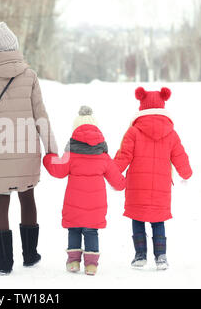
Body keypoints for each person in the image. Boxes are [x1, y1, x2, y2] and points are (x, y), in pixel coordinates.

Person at [0, 22, 58, 275]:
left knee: (0, 201)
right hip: (27, 148)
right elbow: (41, 115)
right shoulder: (29, 75)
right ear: (14, 47)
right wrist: (51, 148)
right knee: (27, 196)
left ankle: (4, 262)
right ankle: (30, 255)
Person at [114, 87, 192, 270]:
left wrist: (112, 172)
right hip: (161, 187)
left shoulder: (133, 132)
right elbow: (180, 156)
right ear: (163, 106)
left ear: (141, 106)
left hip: (136, 186)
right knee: (158, 220)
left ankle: (140, 255)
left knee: (137, 218)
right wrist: (186, 173)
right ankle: (161, 256)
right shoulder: (171, 134)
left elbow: (123, 156)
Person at [43, 106, 126, 275]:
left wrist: (47, 158)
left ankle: (73, 262)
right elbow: (118, 183)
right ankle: (91, 265)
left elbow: (58, 171)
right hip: (96, 205)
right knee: (91, 231)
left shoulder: (70, 154)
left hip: (73, 203)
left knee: (74, 229)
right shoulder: (103, 156)